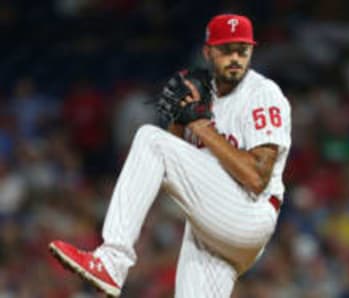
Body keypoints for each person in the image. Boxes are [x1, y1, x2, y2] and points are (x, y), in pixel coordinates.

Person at [49, 13, 291, 297]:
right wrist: (179, 120)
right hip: (213, 224)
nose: (235, 58)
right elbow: (176, 169)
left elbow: (256, 177)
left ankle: (112, 260)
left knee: (150, 139)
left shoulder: (262, 93)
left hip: (250, 213)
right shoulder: (201, 93)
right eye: (226, 50)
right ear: (208, 52)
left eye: (243, 49)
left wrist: (200, 126)